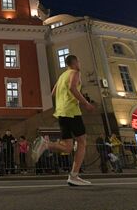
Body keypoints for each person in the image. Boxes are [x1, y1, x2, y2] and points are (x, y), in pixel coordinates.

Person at [37, 54, 95, 186]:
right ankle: (74, 175)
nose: (79, 64)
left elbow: (53, 92)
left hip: (61, 112)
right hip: (72, 112)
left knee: (68, 147)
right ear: (75, 63)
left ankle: (47, 145)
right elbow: (72, 88)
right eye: (79, 61)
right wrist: (85, 103)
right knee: (82, 141)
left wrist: (62, 98)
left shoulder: (62, 76)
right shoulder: (75, 72)